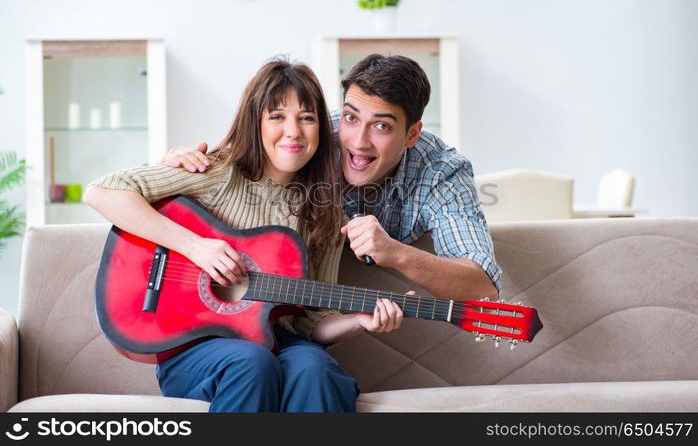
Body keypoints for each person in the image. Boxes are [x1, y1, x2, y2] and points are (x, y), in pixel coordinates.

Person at [83, 57, 412, 413]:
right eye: (276, 117)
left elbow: (312, 322)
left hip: (280, 342)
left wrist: (358, 321)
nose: (293, 131)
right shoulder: (217, 173)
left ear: (321, 128)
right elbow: (103, 191)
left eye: (306, 118)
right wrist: (196, 247)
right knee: (251, 362)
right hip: (194, 346)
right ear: (254, 122)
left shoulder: (327, 211)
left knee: (316, 369)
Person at [163, 54, 503, 302]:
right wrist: (175, 175)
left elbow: (482, 286)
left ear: (412, 134)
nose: (359, 141)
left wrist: (395, 253)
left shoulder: (441, 171)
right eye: (352, 118)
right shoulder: (313, 133)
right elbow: (236, 173)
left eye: (382, 126)